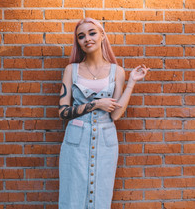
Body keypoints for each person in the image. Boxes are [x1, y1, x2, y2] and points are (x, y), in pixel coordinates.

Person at [58, 17, 149, 209]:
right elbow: (63, 111)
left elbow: (115, 115)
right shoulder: (71, 70)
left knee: (100, 197)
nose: (87, 39)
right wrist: (96, 104)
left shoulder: (117, 71)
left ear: (102, 36)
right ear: (78, 42)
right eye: (81, 36)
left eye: (92, 33)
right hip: (76, 140)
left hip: (105, 139)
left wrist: (131, 82)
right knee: (72, 196)